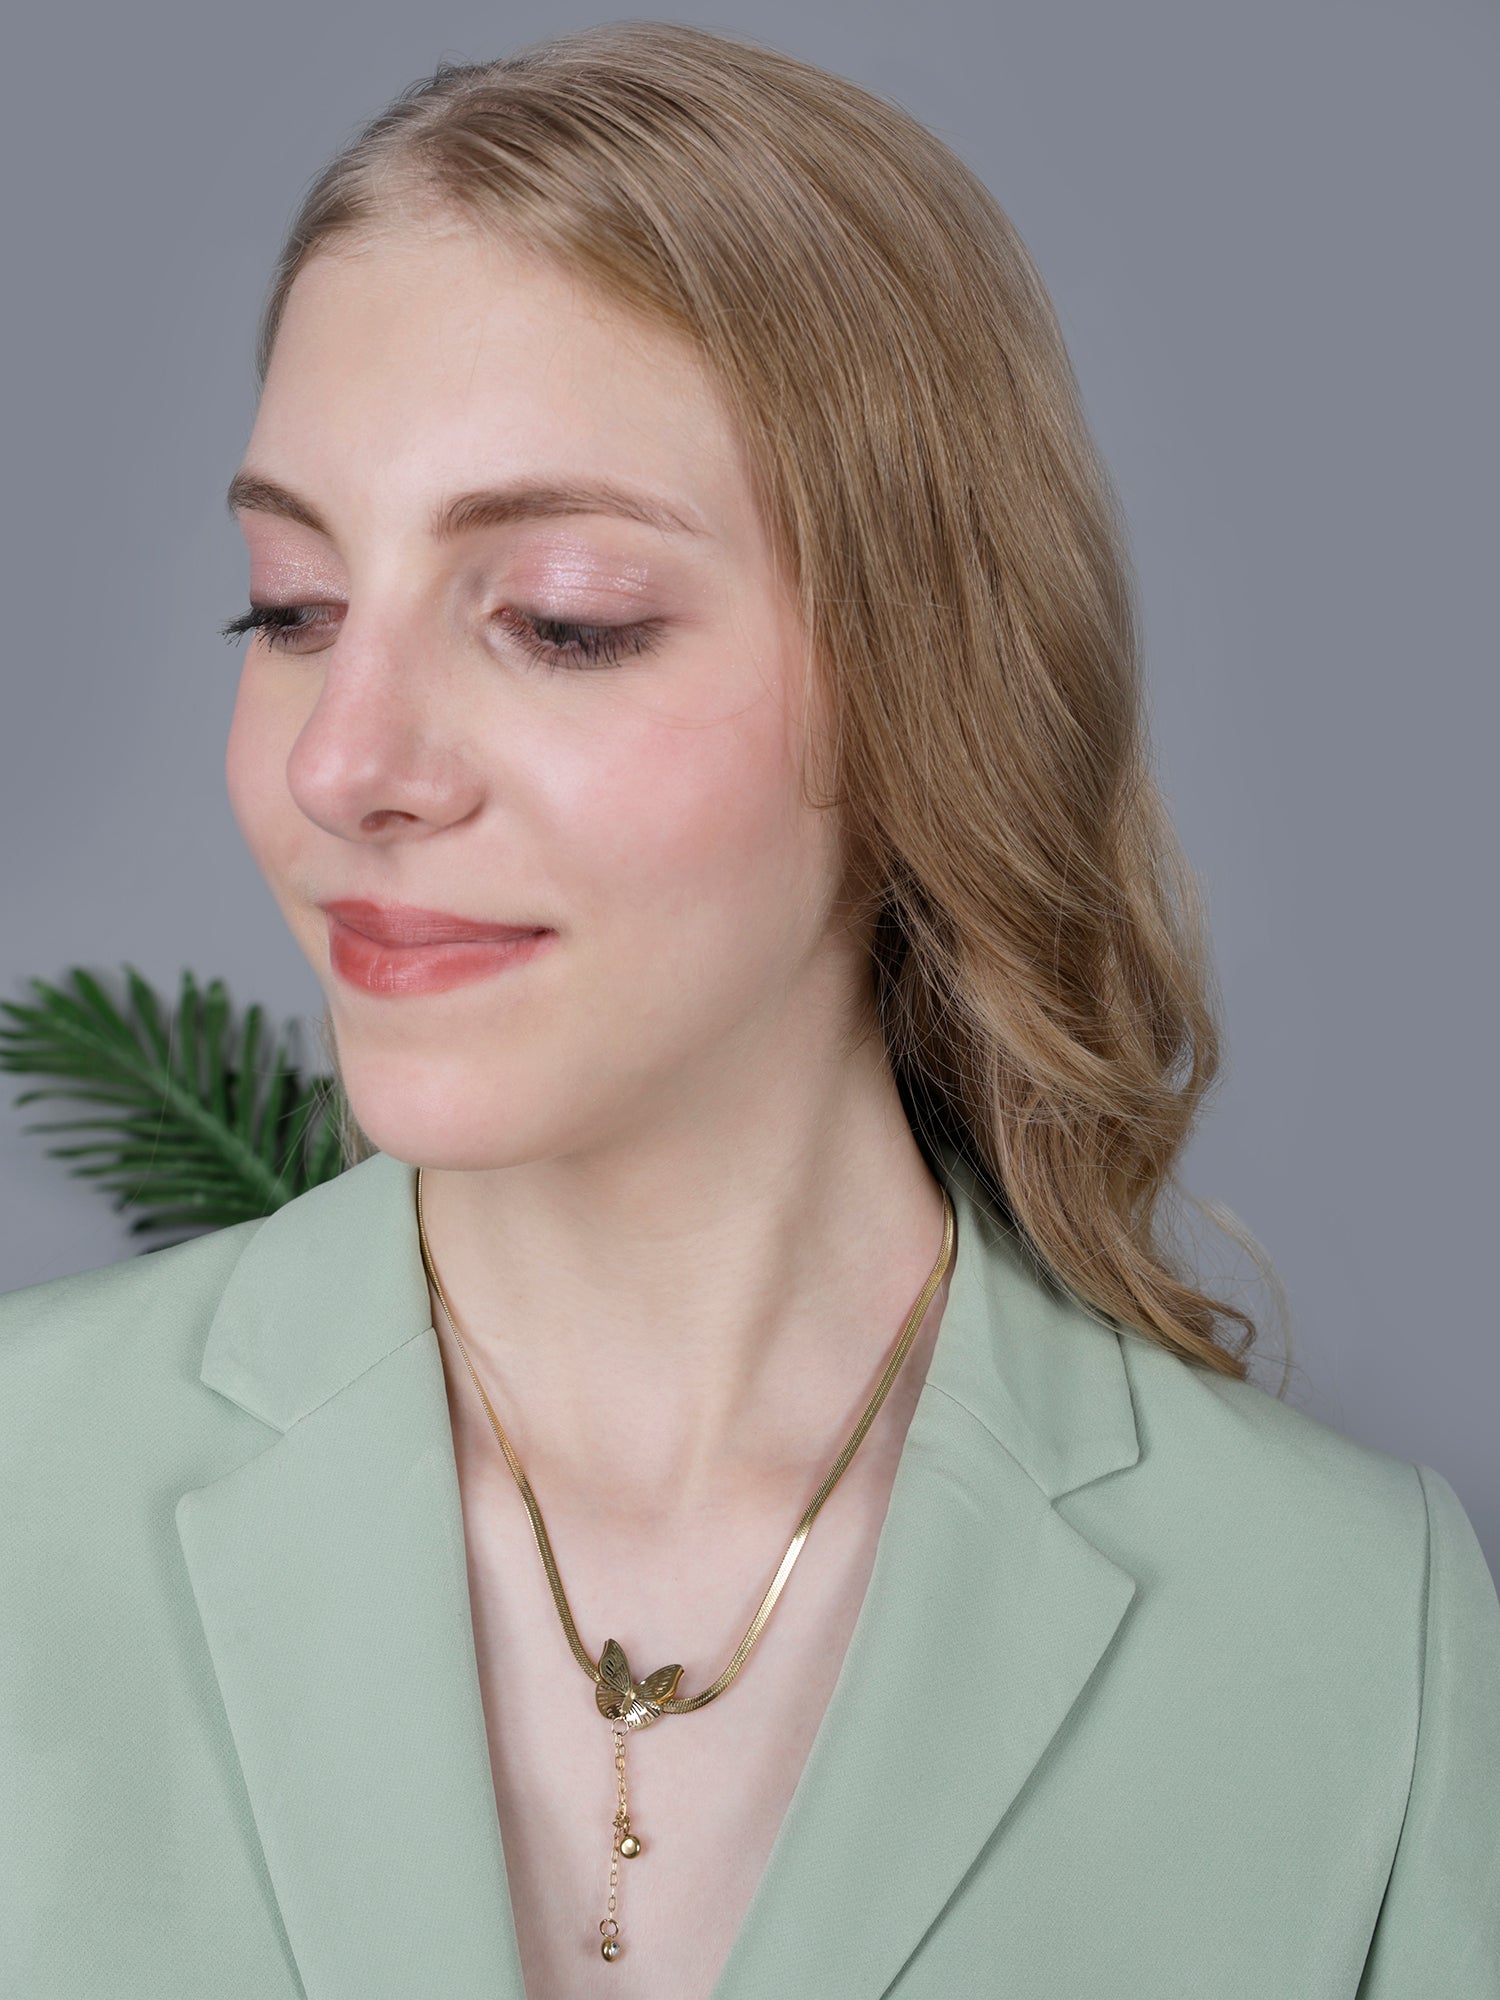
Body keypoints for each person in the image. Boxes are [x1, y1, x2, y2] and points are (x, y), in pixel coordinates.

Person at [3, 19, 1496, 2000]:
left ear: (922, 690)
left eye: (560, 619)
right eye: (290, 608)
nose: (341, 764)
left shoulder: (1355, 1635)